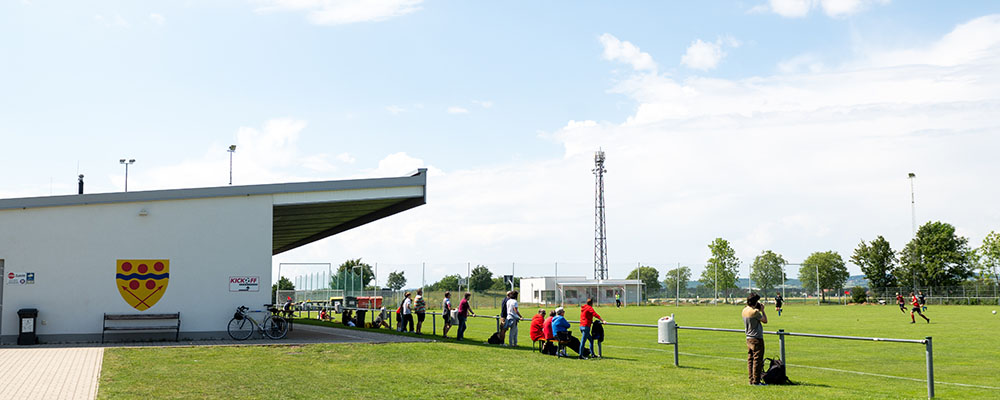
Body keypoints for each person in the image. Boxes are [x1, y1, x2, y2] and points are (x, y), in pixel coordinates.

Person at [742, 292, 768, 386]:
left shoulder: (744, 310)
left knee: (750, 360)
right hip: (757, 338)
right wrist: (763, 310)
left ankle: (751, 380)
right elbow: (765, 320)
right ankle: (756, 381)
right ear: (755, 302)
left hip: (748, 338)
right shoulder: (755, 312)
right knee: (757, 360)